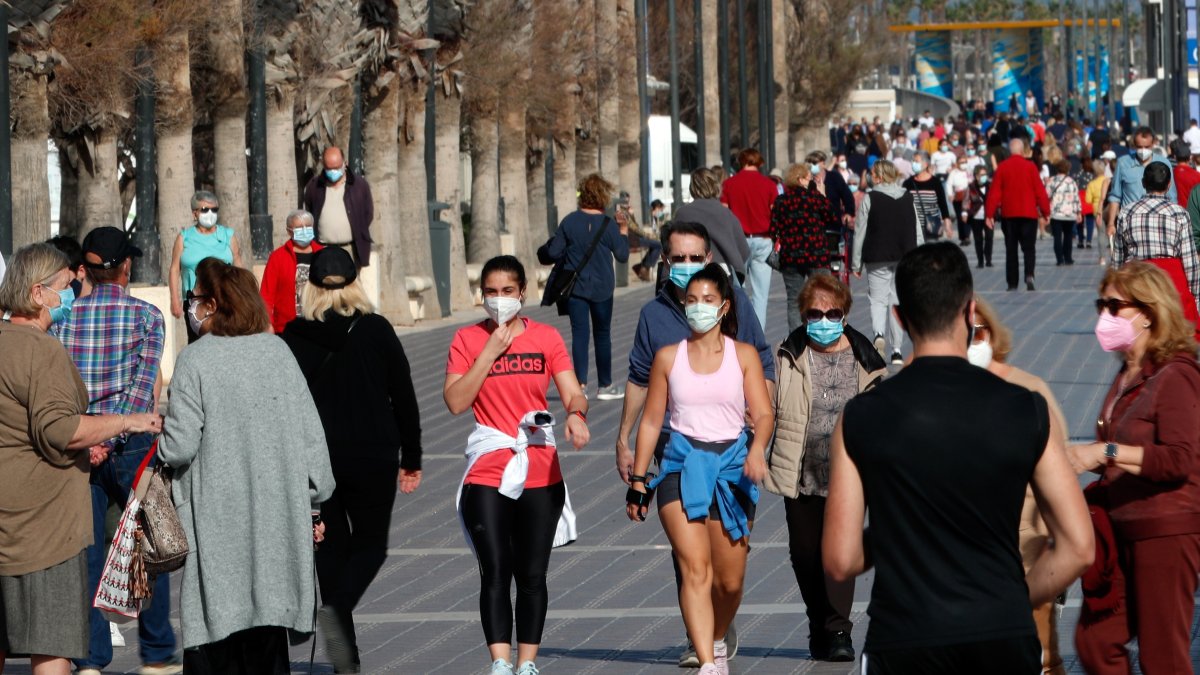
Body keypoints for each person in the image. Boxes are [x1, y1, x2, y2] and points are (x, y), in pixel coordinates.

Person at [823, 242, 1094, 674]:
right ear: (970, 312)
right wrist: (1014, 598)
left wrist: (896, 528)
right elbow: (1080, 546)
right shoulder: (1024, 407)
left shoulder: (861, 416)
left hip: (905, 635)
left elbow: (841, 560)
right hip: (1001, 631)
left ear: (899, 317)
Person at [157, 258, 335, 672]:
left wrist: (159, 444)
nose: (191, 306)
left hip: (215, 519)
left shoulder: (195, 360)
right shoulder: (278, 352)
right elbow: (313, 439)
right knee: (266, 635)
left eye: (195, 298)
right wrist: (314, 501)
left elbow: (180, 447)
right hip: (277, 515)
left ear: (214, 303)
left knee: (216, 627)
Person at [615, 222, 774, 668]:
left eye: (708, 301)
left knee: (729, 581)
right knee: (694, 567)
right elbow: (648, 411)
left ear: (723, 306)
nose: (698, 306)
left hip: (731, 465)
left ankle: (717, 635)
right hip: (679, 463)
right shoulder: (664, 341)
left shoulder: (740, 343)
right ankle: (706, 658)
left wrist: (759, 445)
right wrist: (637, 476)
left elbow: (763, 403)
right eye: (692, 301)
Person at [0, 243, 161, 675]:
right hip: (42, 529)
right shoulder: (43, 350)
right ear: (38, 294)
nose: (75, 292)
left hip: (8, 517)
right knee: (51, 648)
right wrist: (126, 421)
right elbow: (60, 430)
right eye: (67, 286)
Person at [443, 255, 589, 675]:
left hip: (539, 465)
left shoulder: (546, 337)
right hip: (489, 464)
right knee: (494, 569)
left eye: (508, 291)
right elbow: (455, 402)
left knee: (531, 573)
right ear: (482, 295)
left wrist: (577, 416)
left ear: (522, 292)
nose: (499, 299)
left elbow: (572, 392)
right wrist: (489, 351)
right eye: (491, 291)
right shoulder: (468, 340)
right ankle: (500, 662)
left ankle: (527, 664)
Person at [279, 247, 422, 674]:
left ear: (311, 288)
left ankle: (346, 661)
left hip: (317, 460)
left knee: (330, 551)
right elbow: (404, 396)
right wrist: (411, 456)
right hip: (373, 455)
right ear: (355, 283)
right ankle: (338, 609)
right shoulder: (376, 329)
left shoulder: (293, 336)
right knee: (372, 546)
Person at [55, 228, 179, 675]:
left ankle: (89, 659)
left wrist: (91, 439)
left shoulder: (65, 320)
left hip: (80, 445)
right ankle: (158, 651)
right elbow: (143, 389)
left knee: (85, 550)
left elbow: (60, 390)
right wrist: (113, 437)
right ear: (126, 268)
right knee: (151, 544)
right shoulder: (147, 317)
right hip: (134, 444)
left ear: (84, 270)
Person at [1070, 261, 1200, 675]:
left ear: (1148, 312)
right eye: (1100, 304)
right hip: (1121, 528)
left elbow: (1181, 459)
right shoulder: (1129, 373)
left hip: (1164, 530)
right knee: (1095, 641)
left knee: (1163, 657)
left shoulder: (1175, 374)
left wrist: (1106, 452)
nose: (1104, 315)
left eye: (1115, 305)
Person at [763, 274, 886, 663]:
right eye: (815, 313)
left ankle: (837, 630)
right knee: (804, 554)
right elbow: (768, 405)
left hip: (848, 474)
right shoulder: (788, 354)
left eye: (832, 312)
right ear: (803, 315)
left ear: (845, 314)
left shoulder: (867, 359)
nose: (824, 319)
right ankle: (819, 621)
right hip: (800, 471)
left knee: (838, 553)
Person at [968, 296, 1071, 675]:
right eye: (961, 333)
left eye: (978, 332)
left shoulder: (1029, 390)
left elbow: (1061, 471)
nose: (970, 341)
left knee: (1041, 658)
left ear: (994, 336)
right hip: (969, 558)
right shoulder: (944, 396)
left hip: (1025, 548)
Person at [542, 173, 630, 400]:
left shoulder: (570, 221)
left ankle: (580, 385)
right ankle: (605, 386)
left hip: (576, 288)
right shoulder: (609, 225)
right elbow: (622, 255)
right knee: (602, 334)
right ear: (603, 197)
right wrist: (623, 231)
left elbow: (552, 252)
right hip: (602, 288)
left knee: (579, 334)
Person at [1113, 161, 1200, 336]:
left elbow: (1118, 258)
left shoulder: (1126, 213)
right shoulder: (1179, 214)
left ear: (1143, 183)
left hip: (1137, 282)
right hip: (1170, 283)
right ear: (1169, 185)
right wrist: (1194, 296)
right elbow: (1190, 262)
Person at [851, 159, 924, 364]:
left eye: (873, 174)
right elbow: (917, 230)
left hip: (877, 255)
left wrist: (856, 263)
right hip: (905, 256)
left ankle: (879, 335)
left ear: (879, 176)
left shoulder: (870, 198)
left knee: (878, 299)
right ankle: (897, 350)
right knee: (896, 300)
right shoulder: (907, 197)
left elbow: (860, 232)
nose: (870, 177)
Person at [769, 164, 838, 333]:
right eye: (809, 178)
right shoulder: (814, 198)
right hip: (816, 255)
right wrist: (822, 193)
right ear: (800, 180)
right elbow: (832, 218)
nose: (812, 181)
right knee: (824, 295)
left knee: (794, 300)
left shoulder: (781, 201)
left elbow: (773, 230)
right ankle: (824, 332)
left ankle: (797, 339)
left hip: (791, 258)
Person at [168, 190, 243, 343]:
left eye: (214, 210)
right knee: (198, 342)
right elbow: (175, 268)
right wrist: (174, 299)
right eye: (205, 210)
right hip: (195, 300)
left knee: (227, 339)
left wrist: (242, 292)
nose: (210, 213)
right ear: (194, 213)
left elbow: (238, 263)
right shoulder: (184, 237)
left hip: (225, 297)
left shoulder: (228, 235)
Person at [720, 148, 778, 331]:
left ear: (741, 162)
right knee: (761, 294)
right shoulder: (769, 184)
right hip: (763, 239)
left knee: (738, 291)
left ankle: (740, 328)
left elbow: (724, 213)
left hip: (738, 241)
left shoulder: (729, 184)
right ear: (759, 163)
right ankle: (758, 333)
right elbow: (775, 213)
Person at [986, 137, 1051, 291]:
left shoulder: (1002, 167)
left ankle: (1012, 282)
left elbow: (994, 193)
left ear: (1010, 151)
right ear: (1023, 151)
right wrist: (1046, 211)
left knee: (1011, 249)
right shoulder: (1031, 167)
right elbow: (1040, 191)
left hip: (1009, 215)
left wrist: (989, 214)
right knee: (1029, 248)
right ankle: (1029, 274)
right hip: (1029, 214)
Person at [674, 168, 751, 281]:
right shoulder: (725, 213)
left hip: (690, 269)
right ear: (716, 186)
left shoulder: (682, 213)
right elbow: (744, 250)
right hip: (721, 272)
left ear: (692, 188)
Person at [303, 146, 374, 268]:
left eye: (336, 168)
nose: (333, 172)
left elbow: (368, 214)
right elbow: (309, 212)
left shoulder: (359, 186)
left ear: (345, 164)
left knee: (351, 286)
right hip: (323, 250)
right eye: (329, 168)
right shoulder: (314, 187)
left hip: (350, 250)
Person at [1105, 127, 1177, 238]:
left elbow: (1171, 196)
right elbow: (1115, 196)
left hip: (1157, 224)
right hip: (1130, 224)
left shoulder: (1164, 163)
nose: (1143, 150)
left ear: (1153, 144)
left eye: (1147, 147)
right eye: (1139, 147)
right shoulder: (1123, 163)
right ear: (1134, 145)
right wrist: (1110, 224)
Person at [260, 209, 324, 334]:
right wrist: (267, 322)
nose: (305, 230)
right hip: (286, 328)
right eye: (300, 228)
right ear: (289, 231)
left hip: (319, 326)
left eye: (308, 226)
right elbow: (266, 294)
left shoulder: (323, 254)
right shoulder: (278, 257)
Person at [902, 151, 953, 240]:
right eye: (913, 161)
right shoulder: (908, 183)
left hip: (932, 227)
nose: (913, 163)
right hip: (913, 228)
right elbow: (903, 206)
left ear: (925, 164)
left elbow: (943, 205)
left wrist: (947, 225)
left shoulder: (935, 182)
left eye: (916, 161)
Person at [1046, 159, 1082, 266]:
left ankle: (1059, 259)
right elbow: (1076, 197)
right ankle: (1068, 258)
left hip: (1056, 213)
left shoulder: (1052, 181)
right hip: (1069, 213)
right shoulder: (1071, 181)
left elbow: (1046, 195)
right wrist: (1078, 212)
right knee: (1068, 236)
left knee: (1057, 237)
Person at [964, 165, 994, 268]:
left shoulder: (991, 185)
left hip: (989, 216)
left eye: (985, 174)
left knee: (989, 238)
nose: (984, 177)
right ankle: (980, 261)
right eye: (981, 175)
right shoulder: (971, 187)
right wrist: (964, 213)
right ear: (976, 176)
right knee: (978, 240)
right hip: (976, 217)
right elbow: (966, 200)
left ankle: (988, 259)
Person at [947, 156, 973, 246]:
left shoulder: (969, 172)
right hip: (957, 197)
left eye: (965, 162)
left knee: (967, 216)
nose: (963, 164)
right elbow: (949, 184)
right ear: (957, 163)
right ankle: (962, 237)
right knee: (960, 217)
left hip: (968, 197)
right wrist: (950, 194)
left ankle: (967, 236)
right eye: (961, 162)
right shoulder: (953, 173)